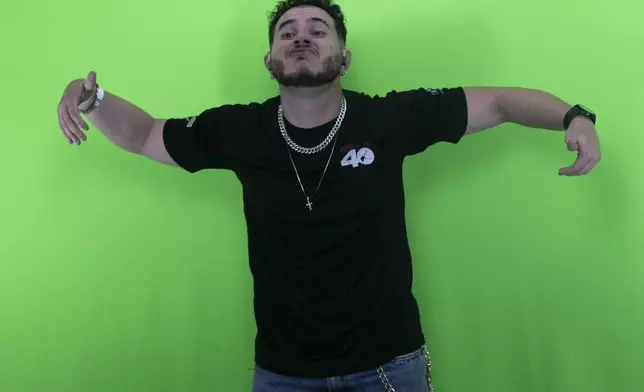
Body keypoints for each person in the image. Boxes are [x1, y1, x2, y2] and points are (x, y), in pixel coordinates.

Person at [56, 0, 601, 390]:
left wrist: (573, 117)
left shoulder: (390, 118)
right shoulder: (238, 131)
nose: (301, 36)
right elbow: (146, 134)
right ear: (269, 60)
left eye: (319, 29)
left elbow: (502, 101)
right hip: (282, 372)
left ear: (344, 59)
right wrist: (90, 96)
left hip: (389, 367)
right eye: (287, 30)